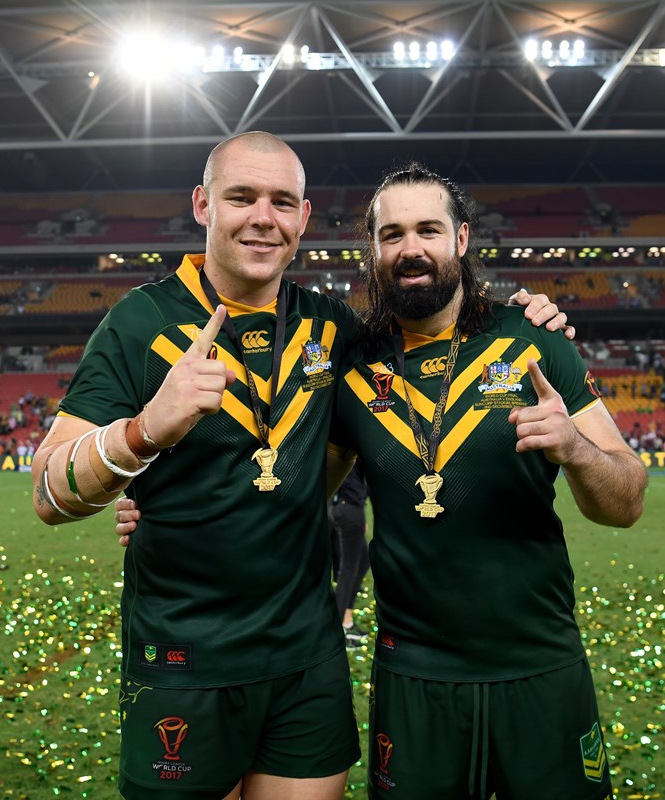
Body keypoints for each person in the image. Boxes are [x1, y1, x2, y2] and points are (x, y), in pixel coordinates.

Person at [33, 131, 571, 800]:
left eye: (282, 201)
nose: (264, 217)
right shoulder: (138, 324)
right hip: (185, 659)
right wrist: (144, 434)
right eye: (242, 197)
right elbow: (49, 494)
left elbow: (434, 337)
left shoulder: (332, 328)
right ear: (203, 205)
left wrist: (532, 317)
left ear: (303, 218)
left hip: (306, 659)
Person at [325, 163, 647, 799]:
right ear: (373, 250)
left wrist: (576, 448)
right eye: (392, 235)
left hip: (540, 665)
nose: (410, 249)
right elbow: (293, 496)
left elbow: (627, 500)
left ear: (462, 239)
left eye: (428, 230)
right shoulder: (352, 366)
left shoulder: (533, 339)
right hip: (414, 677)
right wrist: (165, 510)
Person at [328, 459, 371, 647]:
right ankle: (336, 633)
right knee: (348, 569)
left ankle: (346, 620)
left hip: (342, 507)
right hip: (349, 508)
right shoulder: (348, 443)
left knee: (362, 563)